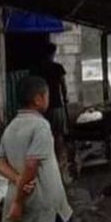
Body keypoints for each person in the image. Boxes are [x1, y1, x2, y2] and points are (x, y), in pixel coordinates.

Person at [0, 76, 99, 222]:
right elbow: (33, 165)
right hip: (46, 201)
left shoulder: (12, 126)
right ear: (38, 99)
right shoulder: (41, 126)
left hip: (15, 203)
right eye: (47, 95)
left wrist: (16, 181)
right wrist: (20, 199)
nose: (48, 100)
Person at [34, 42, 70, 182]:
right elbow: (63, 85)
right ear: (52, 53)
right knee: (59, 135)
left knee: (45, 137)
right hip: (56, 106)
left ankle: (47, 167)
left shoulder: (38, 69)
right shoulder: (57, 68)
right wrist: (65, 97)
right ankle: (59, 166)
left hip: (42, 108)